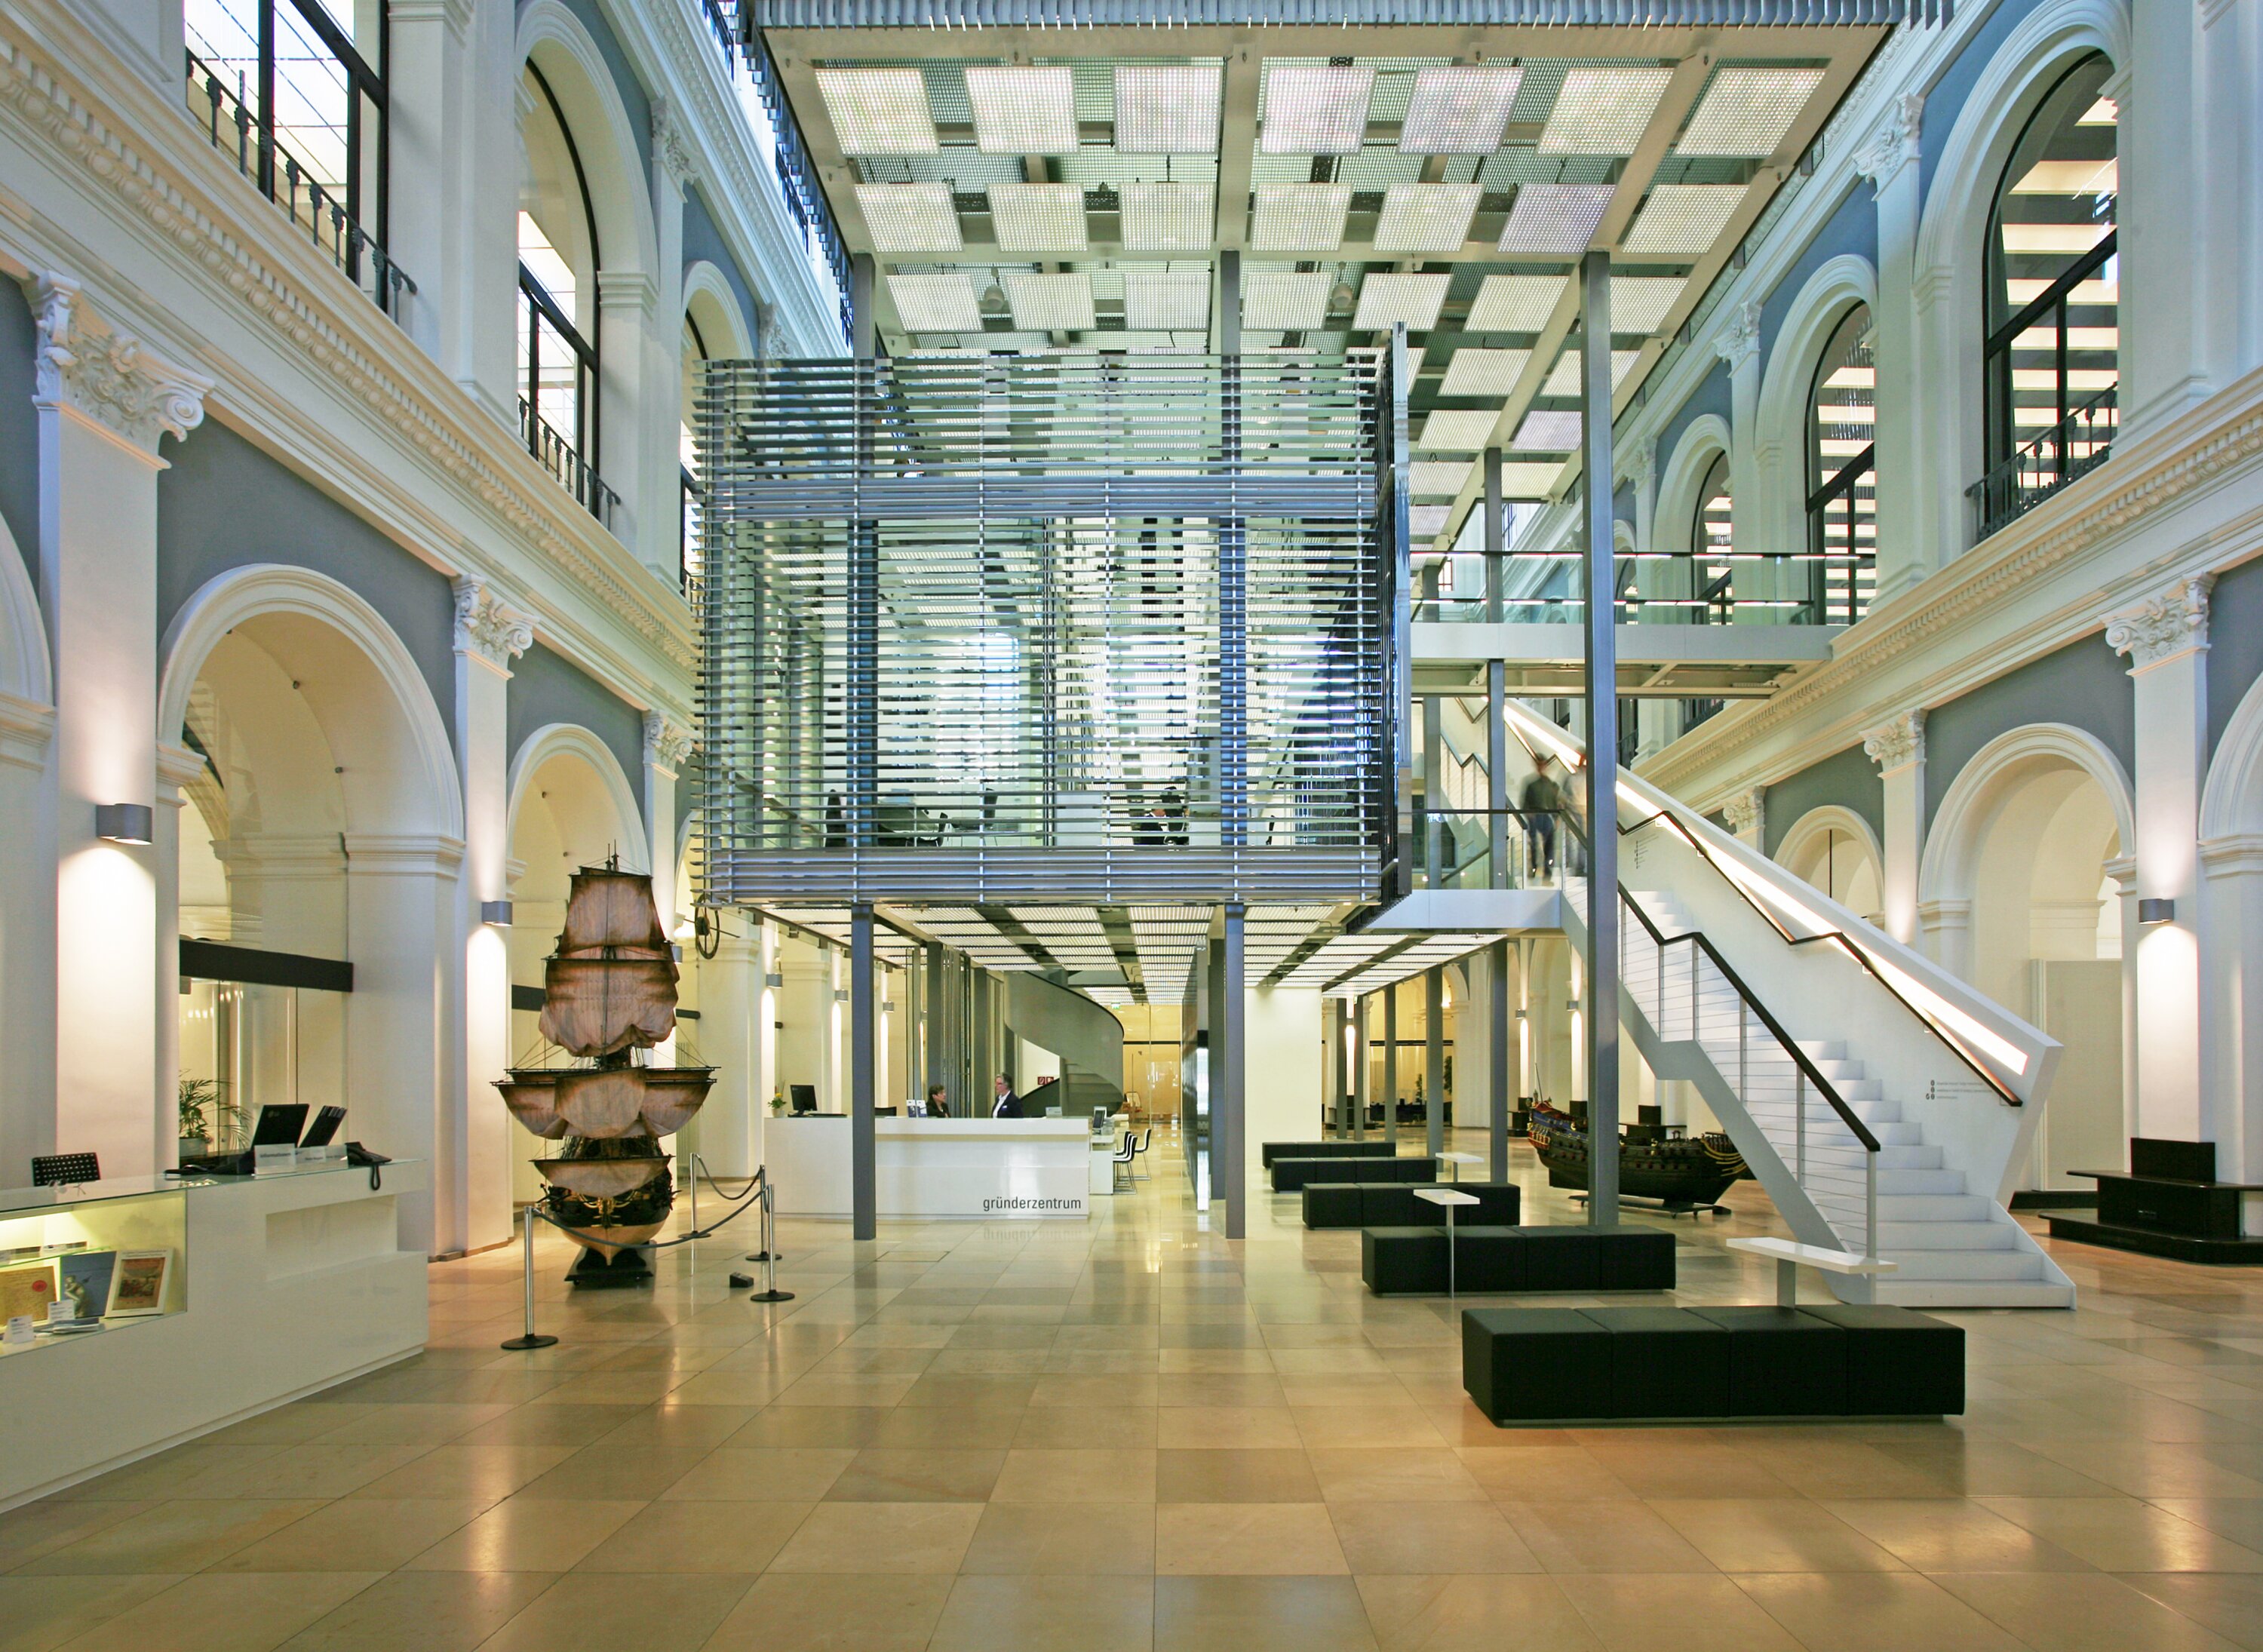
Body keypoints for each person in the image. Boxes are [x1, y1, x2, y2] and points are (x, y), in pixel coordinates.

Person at [1521, 761, 1561, 878]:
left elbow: (1555, 802)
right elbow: (1525, 802)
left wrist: (1556, 817)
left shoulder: (1551, 785)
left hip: (1547, 815)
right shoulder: (1532, 785)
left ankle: (1547, 869)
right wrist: (1529, 814)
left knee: (1549, 844)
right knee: (1534, 843)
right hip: (1536, 814)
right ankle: (1534, 867)